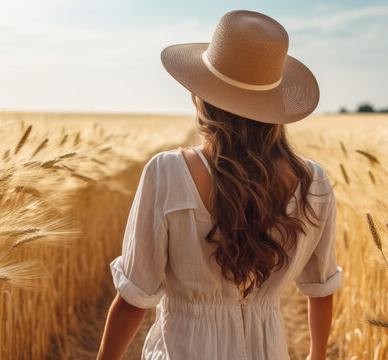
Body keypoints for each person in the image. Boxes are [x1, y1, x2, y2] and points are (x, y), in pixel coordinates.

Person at [96, 9, 342, 360]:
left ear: (201, 96)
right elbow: (322, 288)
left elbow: (133, 300)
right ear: (276, 105)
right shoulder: (314, 184)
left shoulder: (168, 174)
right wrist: (317, 356)